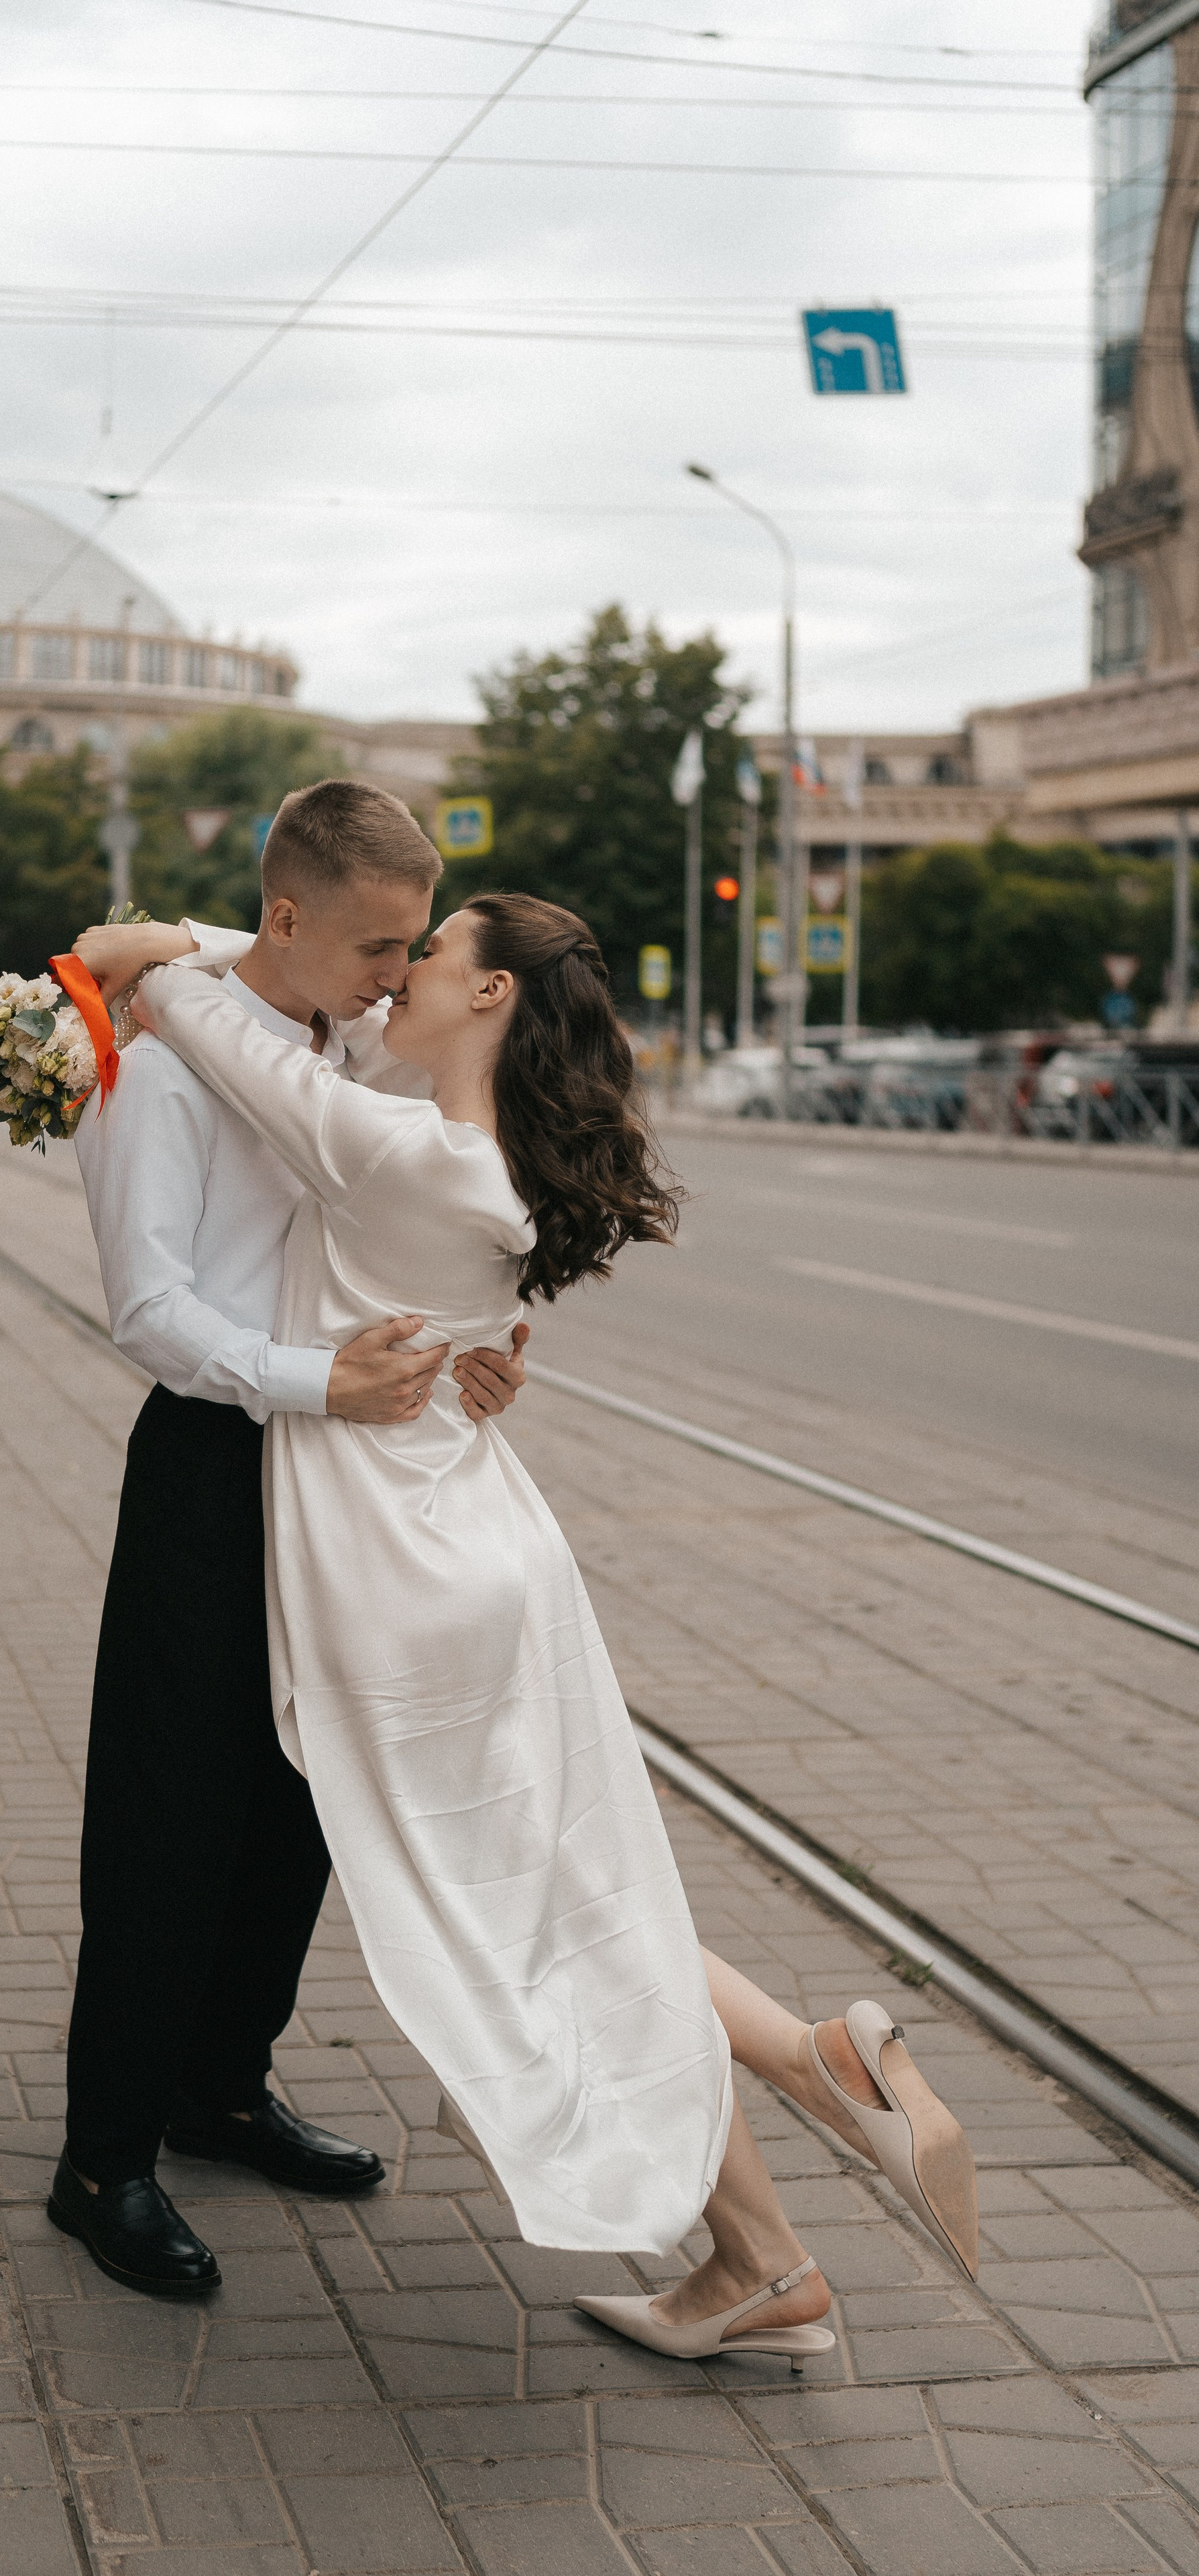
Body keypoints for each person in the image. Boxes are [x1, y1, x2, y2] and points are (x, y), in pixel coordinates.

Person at [111, 888, 978, 2361]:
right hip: (483, 1543)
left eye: (426, 952)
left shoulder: (391, 1144)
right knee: (572, 1899)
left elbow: (192, 1006)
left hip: (395, 1579)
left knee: (523, 1931)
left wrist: (166, 942)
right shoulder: (490, 1167)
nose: (393, 978)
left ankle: (791, 2148)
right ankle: (783, 2181)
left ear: (494, 995)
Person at [51, 781, 530, 2299]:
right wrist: (311, 1382)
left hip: (343, 1474)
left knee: (298, 1803)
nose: (397, 976)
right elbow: (145, 1309)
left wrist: (458, 1354)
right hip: (215, 1455)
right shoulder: (159, 1073)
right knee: (170, 1811)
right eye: (377, 943)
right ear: (286, 918)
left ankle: (221, 2087)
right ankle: (102, 2158)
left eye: (409, 948)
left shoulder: (343, 1037)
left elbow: (391, 1203)